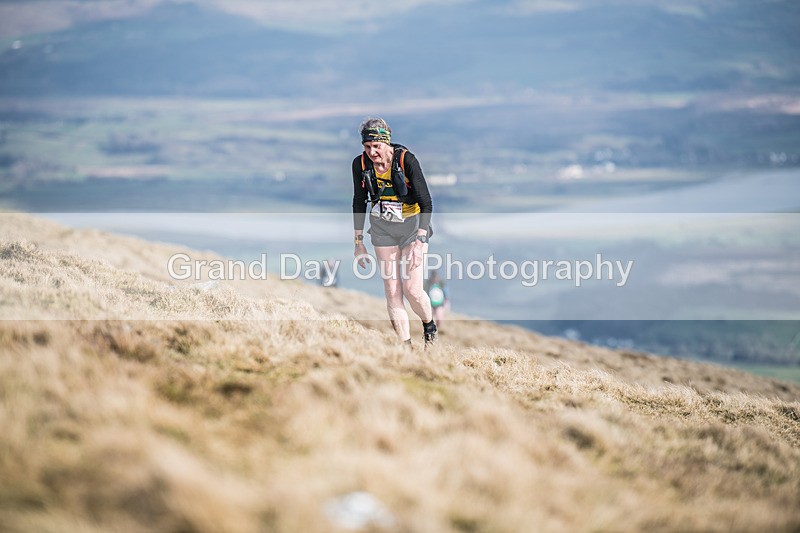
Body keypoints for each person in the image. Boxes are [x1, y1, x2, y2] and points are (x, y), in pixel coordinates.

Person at [352, 117, 437, 346]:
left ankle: (429, 327)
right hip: (382, 228)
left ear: (386, 143)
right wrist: (358, 242)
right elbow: (359, 202)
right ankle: (405, 348)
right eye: (367, 147)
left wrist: (420, 242)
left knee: (413, 290)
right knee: (392, 290)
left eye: (376, 146)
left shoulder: (406, 160)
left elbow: (427, 203)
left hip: (412, 228)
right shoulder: (360, 164)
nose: (372, 152)